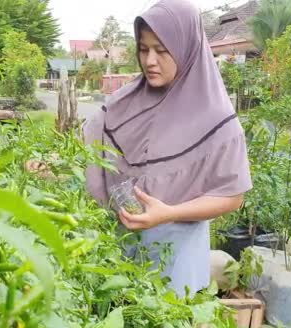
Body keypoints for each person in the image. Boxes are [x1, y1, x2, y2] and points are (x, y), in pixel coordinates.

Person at [82, 0, 252, 297]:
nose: (149, 60)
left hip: (179, 252)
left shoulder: (216, 120)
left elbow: (231, 196)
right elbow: (86, 151)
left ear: (187, 49)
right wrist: (52, 166)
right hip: (121, 246)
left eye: (161, 50)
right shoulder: (124, 103)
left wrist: (169, 213)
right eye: (143, 48)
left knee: (167, 324)